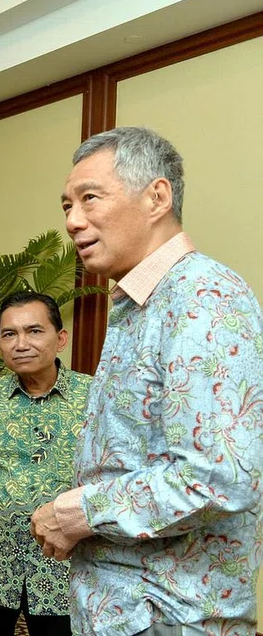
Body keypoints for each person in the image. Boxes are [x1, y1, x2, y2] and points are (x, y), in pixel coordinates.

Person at [31, 126, 263, 635]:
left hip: (171, 616)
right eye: (66, 205)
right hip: (130, 613)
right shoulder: (142, 302)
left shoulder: (203, 298)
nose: (72, 221)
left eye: (90, 198)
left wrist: (81, 512)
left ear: (157, 196)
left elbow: (219, 477)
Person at [0, 291, 91, 636]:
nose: (21, 344)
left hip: (61, 561)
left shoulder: (92, 397)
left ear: (60, 339)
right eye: (9, 334)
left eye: (34, 331)